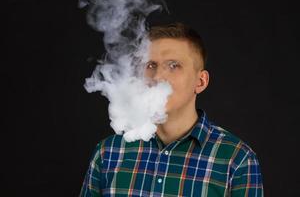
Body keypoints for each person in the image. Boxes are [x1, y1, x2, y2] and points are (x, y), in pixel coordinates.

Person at [79, 23, 264, 196]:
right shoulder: (109, 152)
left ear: (200, 82)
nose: (158, 76)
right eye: (151, 65)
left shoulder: (237, 159)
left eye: (174, 65)